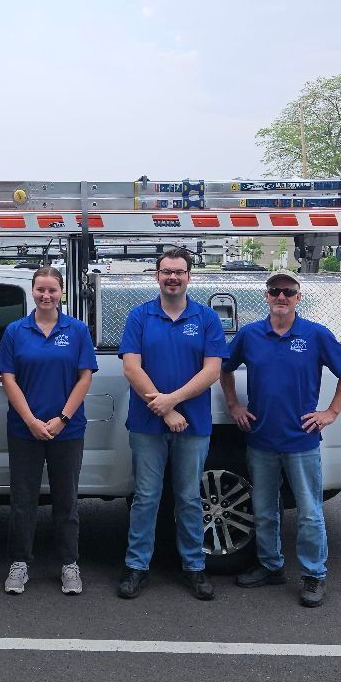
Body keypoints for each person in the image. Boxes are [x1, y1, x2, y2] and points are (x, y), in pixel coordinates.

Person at [220, 269, 341, 608]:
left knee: (310, 513)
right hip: (261, 440)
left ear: (298, 298)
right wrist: (234, 404)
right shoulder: (250, 335)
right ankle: (270, 566)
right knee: (265, 509)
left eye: (288, 291)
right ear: (265, 296)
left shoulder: (315, 335)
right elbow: (223, 368)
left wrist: (331, 413)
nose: (281, 297)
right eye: (275, 290)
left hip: (301, 442)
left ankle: (314, 575)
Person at [116, 247, 228, 601]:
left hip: (193, 424)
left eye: (179, 272)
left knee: (190, 498)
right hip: (148, 424)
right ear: (157, 276)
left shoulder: (206, 318)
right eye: (166, 272)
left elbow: (213, 370)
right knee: (146, 497)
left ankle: (194, 568)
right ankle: (137, 567)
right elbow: (132, 367)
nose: (172, 277)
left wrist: (173, 400)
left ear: (189, 276)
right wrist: (163, 409)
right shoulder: (140, 316)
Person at [0, 267, 98, 596]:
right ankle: (19, 563)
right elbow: (7, 378)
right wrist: (31, 421)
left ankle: (69, 564)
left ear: (61, 292)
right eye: (41, 289)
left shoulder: (77, 330)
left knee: (66, 501)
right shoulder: (15, 331)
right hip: (24, 430)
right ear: (33, 291)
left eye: (52, 289)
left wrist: (62, 419)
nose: (46, 295)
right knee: (23, 501)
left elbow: (84, 377)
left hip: (66, 430)